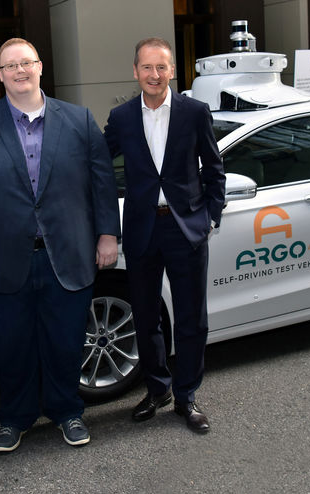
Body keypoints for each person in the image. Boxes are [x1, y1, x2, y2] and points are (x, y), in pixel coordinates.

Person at [0, 38, 120, 452]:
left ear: (40, 67)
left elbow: (101, 182)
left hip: (68, 255)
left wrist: (108, 235)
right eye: (11, 65)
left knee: (64, 342)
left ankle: (68, 412)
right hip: (0, 260)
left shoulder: (78, 120)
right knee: (10, 346)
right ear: (0, 75)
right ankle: (15, 418)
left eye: (27, 62)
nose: (20, 70)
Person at [103, 38, 225, 433]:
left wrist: (210, 214)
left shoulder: (194, 112)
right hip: (141, 229)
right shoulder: (121, 118)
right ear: (135, 71)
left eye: (162, 67)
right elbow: (96, 163)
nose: (154, 75)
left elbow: (214, 168)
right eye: (147, 68)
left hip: (185, 227)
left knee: (191, 317)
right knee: (146, 315)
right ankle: (158, 390)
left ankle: (187, 396)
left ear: (173, 71)